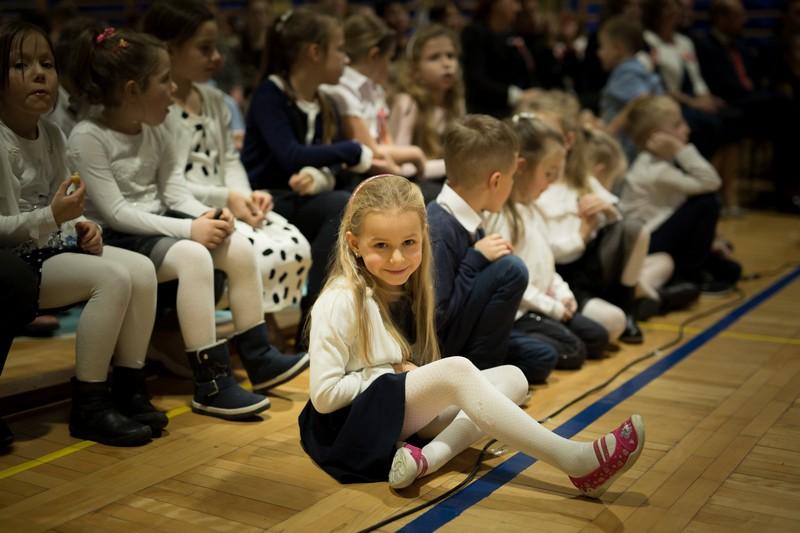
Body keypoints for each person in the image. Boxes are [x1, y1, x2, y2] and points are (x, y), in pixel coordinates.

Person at [298, 173, 645, 495]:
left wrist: (404, 376)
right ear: (354, 243)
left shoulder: (404, 286)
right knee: (458, 370)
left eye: (409, 242)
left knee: (514, 377)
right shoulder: (340, 300)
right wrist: (392, 371)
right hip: (348, 431)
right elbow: (325, 397)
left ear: (423, 236)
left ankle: (427, 459)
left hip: (390, 414)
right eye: (381, 246)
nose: (398, 258)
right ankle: (575, 460)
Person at [65, 27, 308, 421]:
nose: (173, 88)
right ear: (132, 90)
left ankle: (259, 357)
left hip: (156, 227)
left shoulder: (159, 128)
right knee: (194, 257)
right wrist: (189, 230)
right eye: (164, 80)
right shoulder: (88, 136)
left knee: (237, 244)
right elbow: (115, 213)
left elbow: (175, 194)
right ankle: (211, 383)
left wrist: (205, 216)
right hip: (112, 239)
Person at [0, 21, 165, 446]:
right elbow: (8, 229)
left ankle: (129, 387)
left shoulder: (53, 134)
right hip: (16, 258)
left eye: (47, 64)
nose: (39, 74)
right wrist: (52, 218)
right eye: (21, 65)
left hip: (48, 248)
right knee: (111, 278)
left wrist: (81, 226)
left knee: (141, 269)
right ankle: (89, 405)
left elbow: (65, 206)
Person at [142, 0, 311, 317]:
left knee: (294, 245)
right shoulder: (156, 108)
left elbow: (230, 160)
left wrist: (246, 197)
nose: (217, 58)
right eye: (205, 49)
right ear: (169, 50)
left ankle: (261, 323)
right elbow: (170, 185)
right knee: (255, 250)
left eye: (216, 47)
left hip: (228, 202)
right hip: (186, 210)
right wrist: (227, 198)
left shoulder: (214, 99)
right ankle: (252, 328)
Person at [241, 8, 368, 330]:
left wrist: (320, 175)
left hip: (300, 200)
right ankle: (312, 321)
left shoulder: (324, 102)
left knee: (360, 200)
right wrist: (353, 149)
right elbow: (291, 155)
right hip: (263, 201)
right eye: (340, 49)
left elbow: (335, 165)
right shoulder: (270, 94)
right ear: (314, 52)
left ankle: (354, 314)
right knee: (340, 206)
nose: (346, 59)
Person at [427, 114, 559, 384]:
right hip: (438, 350)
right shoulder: (440, 226)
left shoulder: (471, 218)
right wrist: (475, 260)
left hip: (464, 334)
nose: (512, 185)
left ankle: (486, 374)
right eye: (512, 177)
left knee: (542, 357)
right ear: (496, 181)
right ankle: (479, 382)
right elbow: (436, 318)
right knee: (511, 270)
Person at [487, 113, 609, 368]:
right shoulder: (500, 216)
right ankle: (507, 345)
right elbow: (513, 284)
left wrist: (562, 294)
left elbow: (547, 263)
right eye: (548, 173)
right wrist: (552, 308)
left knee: (597, 337)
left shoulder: (533, 209)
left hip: (542, 305)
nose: (553, 182)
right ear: (521, 168)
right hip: (520, 312)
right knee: (573, 351)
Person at [529, 92, 647, 344]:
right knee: (611, 323)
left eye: (548, 135)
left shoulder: (580, 180)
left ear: (568, 140)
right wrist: (581, 236)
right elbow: (545, 254)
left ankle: (629, 306)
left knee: (634, 228)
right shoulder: (530, 187)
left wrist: (605, 210)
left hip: (588, 272)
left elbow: (615, 218)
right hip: (557, 276)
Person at [620, 95, 735, 292]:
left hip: (656, 235)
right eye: (678, 125)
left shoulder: (660, 162)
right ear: (657, 136)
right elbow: (712, 182)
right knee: (707, 202)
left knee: (731, 270)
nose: (687, 129)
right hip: (645, 244)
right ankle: (686, 275)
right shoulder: (655, 170)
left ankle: (693, 268)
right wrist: (679, 148)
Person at [321, 11, 426, 178]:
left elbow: (386, 140)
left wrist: (397, 172)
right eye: (388, 58)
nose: (389, 66)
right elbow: (369, 150)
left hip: (381, 170)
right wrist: (415, 154)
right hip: (356, 175)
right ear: (374, 55)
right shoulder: (341, 89)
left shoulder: (375, 89)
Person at [388, 23, 464, 198]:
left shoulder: (455, 102)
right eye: (434, 57)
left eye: (450, 56)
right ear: (415, 69)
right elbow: (402, 168)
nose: (446, 64)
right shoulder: (407, 103)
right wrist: (455, 167)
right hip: (411, 189)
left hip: (444, 181)